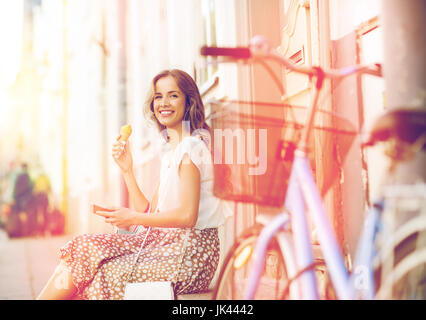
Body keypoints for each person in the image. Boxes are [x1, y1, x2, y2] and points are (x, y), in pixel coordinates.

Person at [36, 69, 231, 300]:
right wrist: (127, 170)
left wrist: (132, 218)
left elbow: (187, 216)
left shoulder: (191, 148)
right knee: (83, 248)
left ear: (189, 101)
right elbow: (149, 212)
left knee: (105, 273)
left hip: (190, 256)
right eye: (158, 96)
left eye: (173, 95)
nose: (164, 103)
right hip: (164, 244)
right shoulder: (174, 152)